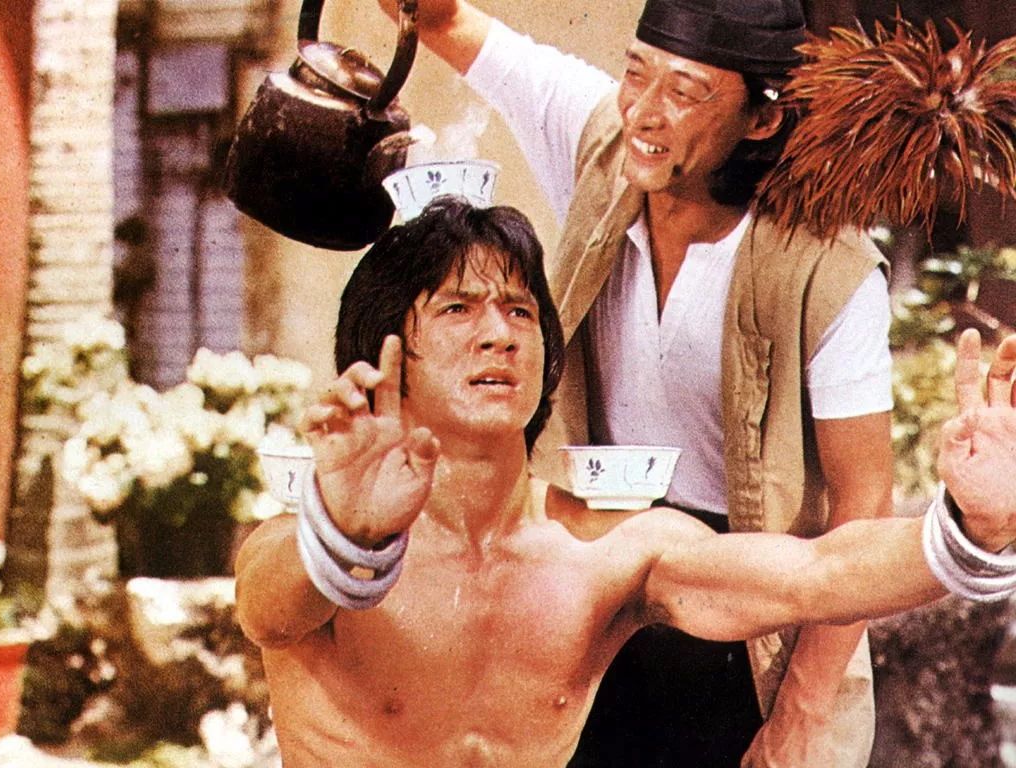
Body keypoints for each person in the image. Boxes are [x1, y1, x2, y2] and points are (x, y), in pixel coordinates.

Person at [235, 197, 1016, 768]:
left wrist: (974, 527)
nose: (499, 333)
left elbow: (817, 573)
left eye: (520, 310)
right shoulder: (306, 540)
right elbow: (268, 608)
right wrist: (347, 534)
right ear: (382, 352)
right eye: (458, 308)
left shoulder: (600, 552)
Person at [371, 1, 894, 765]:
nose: (644, 111)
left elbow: (865, 500)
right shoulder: (610, 148)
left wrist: (802, 714)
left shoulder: (828, 263)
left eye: (685, 92)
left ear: (760, 118)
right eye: (635, 73)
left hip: (751, 608)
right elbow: (448, 23)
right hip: (598, 591)